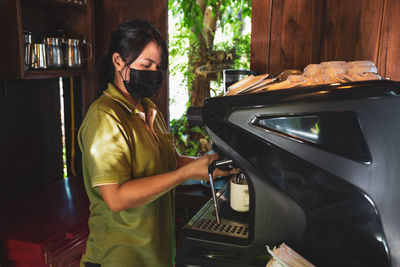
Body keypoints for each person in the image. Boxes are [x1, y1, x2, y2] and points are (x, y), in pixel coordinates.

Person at [78, 20, 227, 267]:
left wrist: (206, 166)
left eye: (159, 67)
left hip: (155, 255)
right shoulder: (104, 117)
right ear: (118, 62)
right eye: (146, 65)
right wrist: (184, 174)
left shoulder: (149, 110)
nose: (154, 74)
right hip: (119, 258)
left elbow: (166, 161)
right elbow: (116, 198)